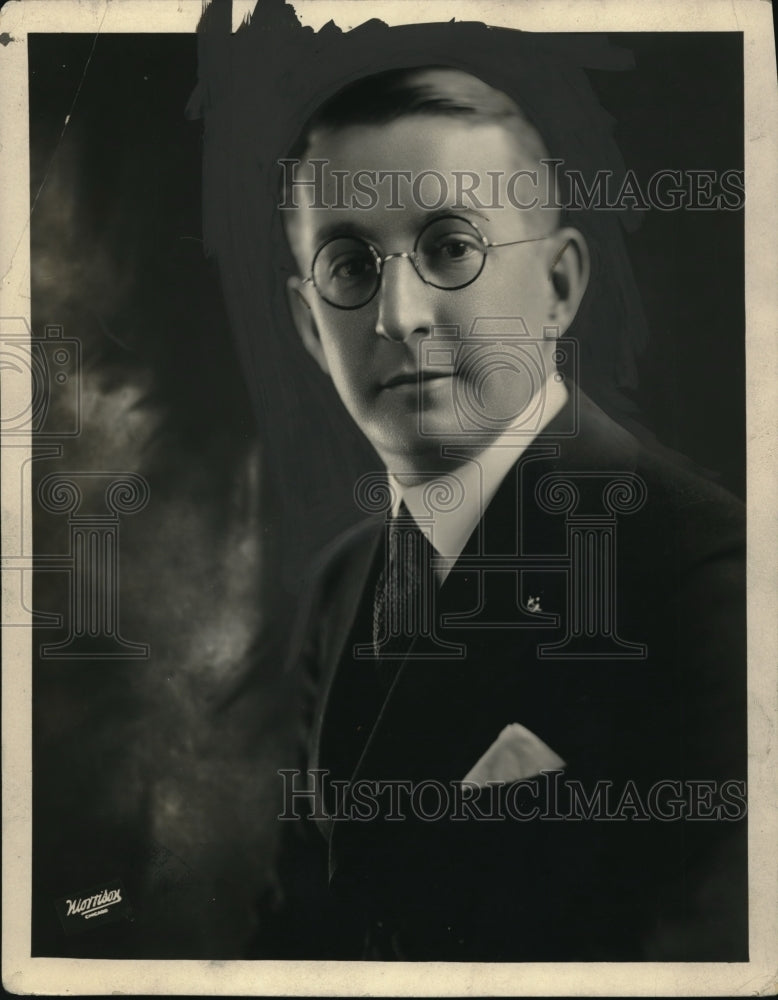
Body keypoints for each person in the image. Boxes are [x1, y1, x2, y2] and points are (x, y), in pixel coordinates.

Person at [256, 65, 747, 962]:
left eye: (451, 248)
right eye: (350, 266)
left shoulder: (706, 576)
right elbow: (300, 936)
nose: (399, 315)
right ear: (308, 326)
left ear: (559, 286)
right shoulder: (343, 585)